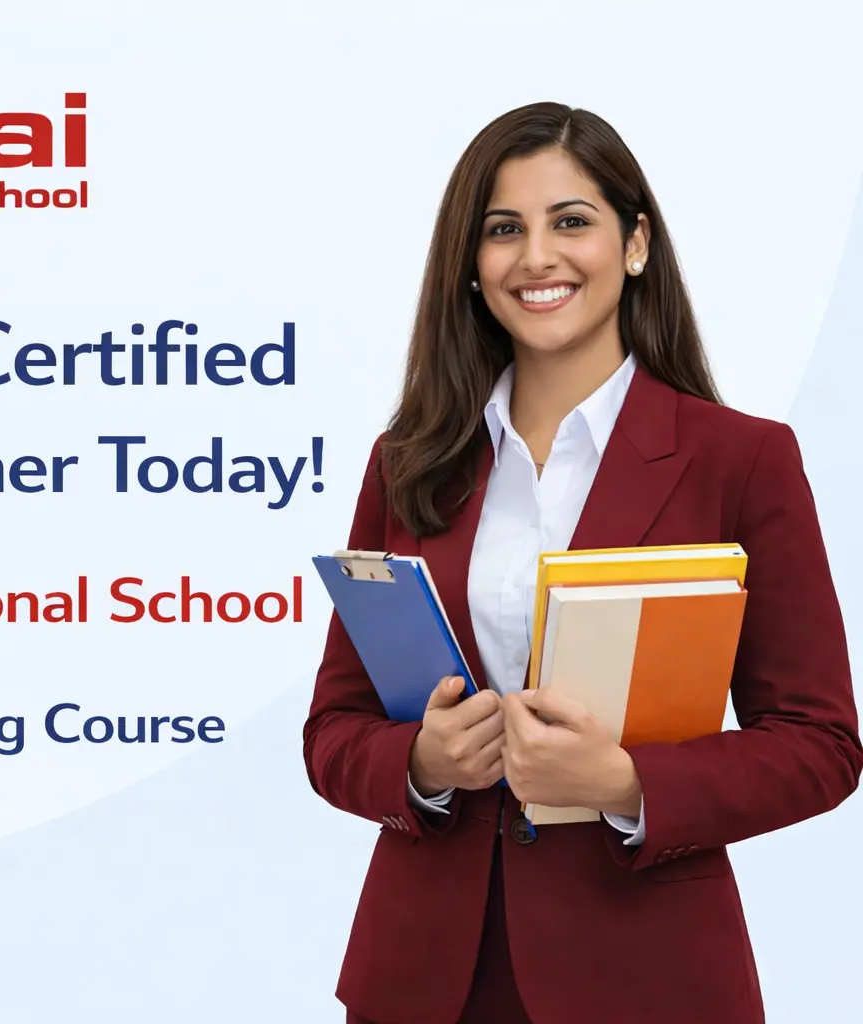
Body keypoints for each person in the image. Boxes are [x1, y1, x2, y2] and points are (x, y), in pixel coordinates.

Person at [302, 101, 863, 1024]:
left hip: (645, 977)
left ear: (635, 243)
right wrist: (422, 763)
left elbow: (819, 744)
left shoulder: (739, 459)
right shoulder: (409, 460)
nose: (536, 257)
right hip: (424, 980)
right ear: (471, 266)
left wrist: (628, 785)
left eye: (572, 221)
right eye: (503, 230)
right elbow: (334, 730)